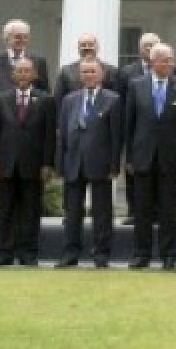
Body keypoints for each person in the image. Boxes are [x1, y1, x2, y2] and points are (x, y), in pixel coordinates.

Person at [124, 43, 176, 270]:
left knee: (168, 209)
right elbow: (129, 124)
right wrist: (129, 158)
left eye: (171, 59)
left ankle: (169, 254)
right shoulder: (136, 86)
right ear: (153, 62)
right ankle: (141, 254)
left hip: (171, 158)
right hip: (143, 156)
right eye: (164, 59)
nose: (169, 64)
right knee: (142, 209)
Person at [0, 57, 56, 267]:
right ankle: (3, 253)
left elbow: (49, 135)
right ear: (13, 75)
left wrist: (47, 164)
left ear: (34, 75)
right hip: (5, 165)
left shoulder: (46, 100)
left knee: (31, 212)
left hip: (33, 167)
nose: (23, 75)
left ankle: (28, 253)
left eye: (27, 71)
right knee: (4, 211)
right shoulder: (0, 100)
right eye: (19, 71)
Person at [55, 58, 122, 269]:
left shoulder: (113, 100)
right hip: (74, 162)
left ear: (101, 74)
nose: (89, 75)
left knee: (102, 213)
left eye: (93, 71)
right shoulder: (69, 100)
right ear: (79, 75)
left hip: (100, 163)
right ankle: (69, 254)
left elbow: (116, 136)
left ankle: (101, 254)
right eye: (85, 72)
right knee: (72, 212)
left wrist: (114, 166)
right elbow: (63, 135)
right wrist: (60, 164)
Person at [0, 19, 50, 97]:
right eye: (18, 37)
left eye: (25, 37)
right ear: (6, 38)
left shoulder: (39, 61)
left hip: (31, 107)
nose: (22, 40)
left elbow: (45, 92)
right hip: (1, 107)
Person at [53, 33, 122, 102]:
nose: (87, 48)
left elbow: (117, 99)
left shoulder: (112, 71)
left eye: (91, 45)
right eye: (83, 45)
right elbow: (58, 100)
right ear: (78, 48)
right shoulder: (66, 72)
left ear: (97, 47)